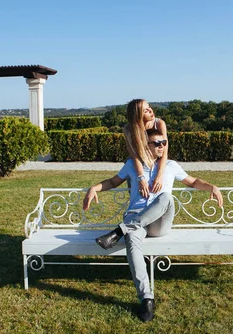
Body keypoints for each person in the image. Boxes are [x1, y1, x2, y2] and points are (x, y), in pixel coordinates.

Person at [83, 128, 223, 322]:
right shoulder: (133, 165)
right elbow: (113, 182)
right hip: (136, 218)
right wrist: (94, 188)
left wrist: (212, 186)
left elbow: (192, 182)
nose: (161, 146)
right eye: (157, 143)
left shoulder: (171, 166)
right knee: (133, 242)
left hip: (159, 223)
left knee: (166, 196)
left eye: (164, 142)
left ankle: (119, 231)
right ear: (145, 145)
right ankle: (146, 299)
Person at [123, 99, 168, 198]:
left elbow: (164, 153)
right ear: (137, 115)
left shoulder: (160, 124)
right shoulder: (128, 130)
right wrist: (140, 177)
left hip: (158, 162)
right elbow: (134, 155)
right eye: (145, 111)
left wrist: (159, 176)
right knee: (140, 195)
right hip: (138, 164)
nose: (151, 111)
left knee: (158, 193)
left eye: (149, 107)